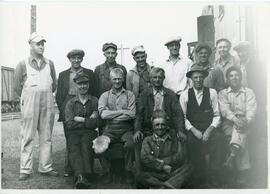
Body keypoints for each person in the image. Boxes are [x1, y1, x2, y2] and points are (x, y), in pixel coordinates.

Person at [14, 32, 58, 180]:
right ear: (30, 45)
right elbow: (16, 87)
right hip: (30, 103)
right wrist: (29, 97)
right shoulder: (22, 64)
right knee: (27, 136)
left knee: (46, 136)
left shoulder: (49, 63)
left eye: (43, 43)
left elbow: (54, 85)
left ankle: (45, 167)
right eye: (38, 43)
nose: (41, 46)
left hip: (47, 102)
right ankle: (25, 169)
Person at [134, 67, 186, 173]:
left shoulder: (170, 94)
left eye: (160, 77)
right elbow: (139, 115)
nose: (157, 80)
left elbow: (178, 114)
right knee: (137, 141)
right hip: (149, 128)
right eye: (155, 77)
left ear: (163, 78)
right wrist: (137, 130)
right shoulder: (144, 94)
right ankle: (141, 172)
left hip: (167, 127)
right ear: (150, 79)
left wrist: (180, 130)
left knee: (182, 141)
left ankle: (176, 171)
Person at [56, 49, 98, 177]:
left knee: (86, 137)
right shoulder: (63, 74)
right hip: (69, 106)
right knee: (71, 138)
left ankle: (86, 170)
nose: (76, 60)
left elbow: (94, 90)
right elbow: (59, 95)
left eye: (78, 58)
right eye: (73, 58)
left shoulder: (89, 73)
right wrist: (64, 108)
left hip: (86, 104)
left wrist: (92, 111)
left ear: (82, 59)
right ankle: (70, 168)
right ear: (69, 59)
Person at [180, 65, 222, 187]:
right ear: (191, 80)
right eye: (195, 77)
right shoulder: (184, 95)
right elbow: (183, 117)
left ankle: (215, 174)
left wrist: (209, 130)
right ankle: (198, 176)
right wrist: (194, 131)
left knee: (219, 140)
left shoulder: (212, 92)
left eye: (200, 77)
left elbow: (217, 114)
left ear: (204, 78)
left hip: (210, 128)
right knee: (190, 142)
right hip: (194, 129)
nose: (198, 80)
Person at [218, 66, 257, 187]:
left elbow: (252, 109)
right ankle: (242, 172)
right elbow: (224, 110)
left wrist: (245, 121)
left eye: (236, 75)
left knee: (238, 133)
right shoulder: (223, 93)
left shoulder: (249, 92)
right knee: (238, 134)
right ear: (227, 79)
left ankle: (231, 159)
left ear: (240, 77)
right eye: (231, 76)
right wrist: (235, 119)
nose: (234, 78)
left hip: (245, 122)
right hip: (229, 122)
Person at [136, 110, 192, 189]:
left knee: (189, 168)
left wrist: (163, 162)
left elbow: (179, 156)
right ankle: (167, 186)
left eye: (163, 124)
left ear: (166, 125)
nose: (160, 127)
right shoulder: (147, 140)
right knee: (139, 174)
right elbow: (144, 158)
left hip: (172, 172)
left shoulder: (174, 138)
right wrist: (161, 166)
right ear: (152, 125)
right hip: (154, 174)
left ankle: (159, 186)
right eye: (157, 125)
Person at [98, 68, 136, 183]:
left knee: (130, 144)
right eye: (114, 79)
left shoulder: (130, 95)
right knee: (100, 144)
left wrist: (112, 114)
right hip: (110, 129)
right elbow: (103, 115)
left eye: (119, 79)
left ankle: (128, 171)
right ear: (110, 80)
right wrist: (122, 111)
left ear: (123, 79)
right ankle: (106, 172)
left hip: (126, 129)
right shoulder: (104, 96)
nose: (117, 81)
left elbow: (132, 114)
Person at [64, 72, 100, 189]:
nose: (83, 86)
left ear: (88, 85)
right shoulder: (70, 103)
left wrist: (81, 119)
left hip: (90, 133)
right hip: (73, 133)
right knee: (74, 145)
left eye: (85, 84)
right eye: (80, 84)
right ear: (76, 85)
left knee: (86, 144)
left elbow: (98, 122)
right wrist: (88, 121)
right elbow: (69, 123)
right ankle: (80, 175)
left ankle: (87, 174)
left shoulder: (94, 101)